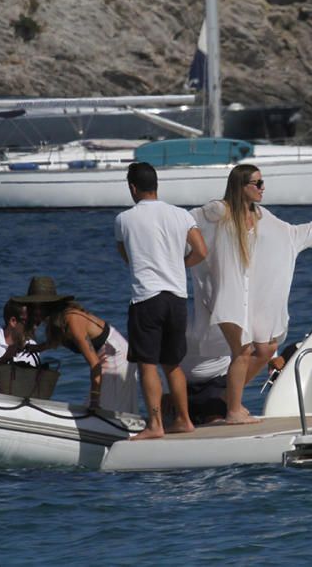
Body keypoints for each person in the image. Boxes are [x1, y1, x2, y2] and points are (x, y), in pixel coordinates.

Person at [190, 164, 312, 424]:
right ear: (241, 186)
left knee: (266, 348)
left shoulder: (261, 216)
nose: (262, 188)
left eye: (262, 182)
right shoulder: (218, 211)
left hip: (252, 298)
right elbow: (185, 224)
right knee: (242, 350)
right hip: (229, 295)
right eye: (257, 183)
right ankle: (233, 410)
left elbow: (291, 235)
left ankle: (226, 399)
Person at [115, 162, 207, 439]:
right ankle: (184, 420)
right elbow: (201, 251)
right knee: (173, 364)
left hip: (147, 298)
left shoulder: (124, 219)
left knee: (147, 364)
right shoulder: (180, 215)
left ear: (132, 187)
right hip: (177, 298)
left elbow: (127, 256)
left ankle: (155, 425)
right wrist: (179, 265)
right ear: (156, 185)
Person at [14, 276, 137, 413]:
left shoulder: (72, 320)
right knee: (107, 405)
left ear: (47, 306)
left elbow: (95, 364)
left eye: (35, 307)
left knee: (105, 407)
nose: (33, 312)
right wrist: (38, 348)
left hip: (115, 353)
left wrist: (95, 401)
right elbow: (59, 340)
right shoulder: (58, 321)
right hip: (105, 354)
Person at [0, 299, 38, 367]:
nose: (33, 327)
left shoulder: (32, 345)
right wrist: (5, 358)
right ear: (13, 321)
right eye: (28, 322)